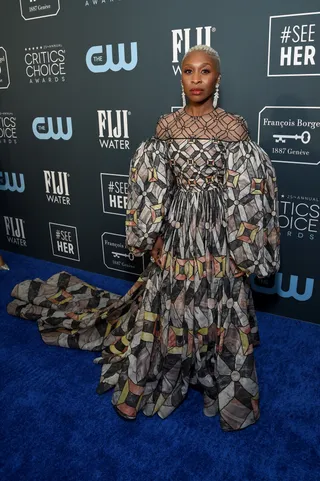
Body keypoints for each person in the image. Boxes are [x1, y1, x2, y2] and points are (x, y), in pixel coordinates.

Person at [7, 45, 280, 432]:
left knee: (217, 299)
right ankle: (148, 379)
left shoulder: (234, 127)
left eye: (205, 72)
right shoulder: (165, 127)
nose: (197, 79)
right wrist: (150, 232)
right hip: (176, 227)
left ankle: (217, 378)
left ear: (217, 78)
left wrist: (243, 246)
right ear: (180, 76)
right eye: (189, 71)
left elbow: (248, 194)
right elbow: (153, 188)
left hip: (218, 231)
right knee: (169, 298)